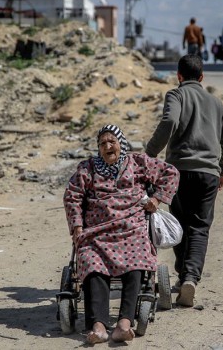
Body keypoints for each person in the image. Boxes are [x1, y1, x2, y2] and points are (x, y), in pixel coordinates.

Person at [63, 124, 179, 344]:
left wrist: (156, 199)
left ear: (121, 144)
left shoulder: (137, 163)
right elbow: (72, 196)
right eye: (103, 143)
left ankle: (124, 323)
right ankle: (98, 326)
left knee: (137, 258)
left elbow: (170, 173)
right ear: (98, 148)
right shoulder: (87, 169)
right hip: (96, 232)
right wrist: (77, 226)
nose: (108, 146)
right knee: (90, 261)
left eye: (112, 142)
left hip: (131, 228)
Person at [145, 54, 223, 307]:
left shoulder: (176, 95)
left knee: (179, 223)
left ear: (178, 76)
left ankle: (182, 275)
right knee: (199, 227)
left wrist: (150, 153)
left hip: (177, 173)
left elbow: (170, 121)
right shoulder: (217, 104)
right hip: (208, 173)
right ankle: (190, 279)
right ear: (202, 77)